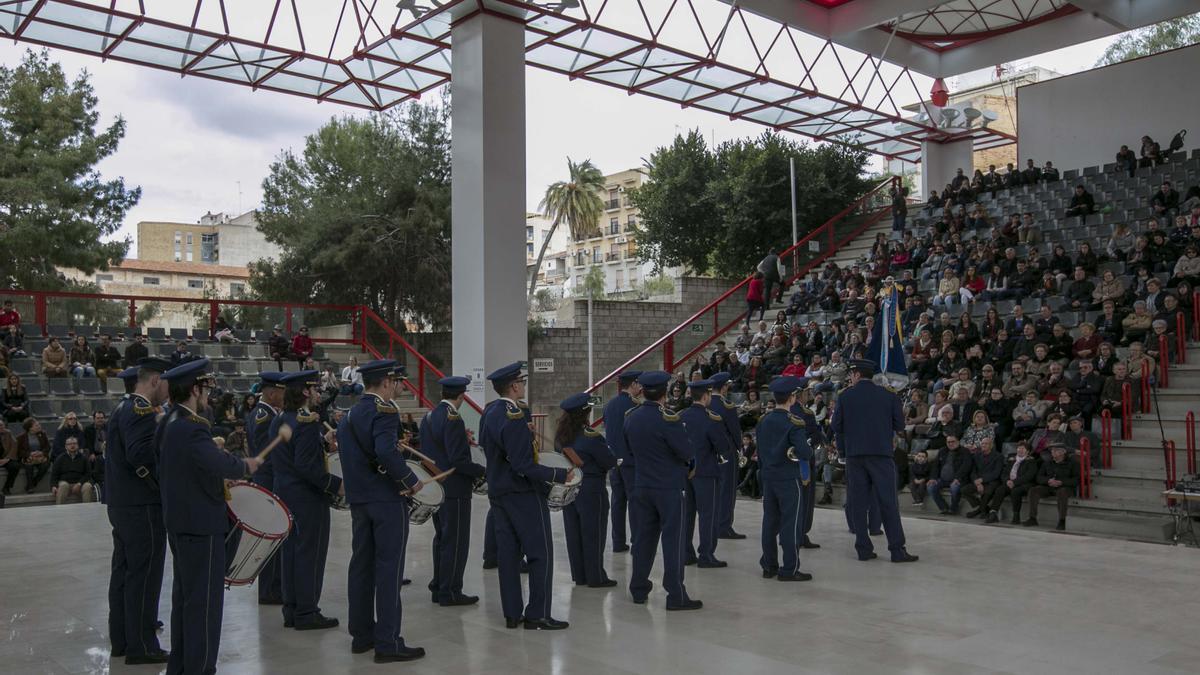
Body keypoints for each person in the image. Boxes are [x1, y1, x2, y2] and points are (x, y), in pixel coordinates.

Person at [157, 358, 262, 675]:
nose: (208, 394)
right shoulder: (191, 428)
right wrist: (244, 466)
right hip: (202, 525)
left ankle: (181, 665)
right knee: (204, 604)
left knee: (185, 600)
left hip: (178, 522)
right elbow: (219, 465)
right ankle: (200, 668)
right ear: (194, 388)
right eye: (205, 388)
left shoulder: (167, 422)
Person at [338, 359, 426, 662]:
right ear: (386, 382)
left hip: (360, 501)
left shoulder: (350, 414)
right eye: (397, 382)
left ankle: (361, 635)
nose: (399, 387)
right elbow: (385, 451)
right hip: (387, 501)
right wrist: (411, 480)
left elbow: (357, 456)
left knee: (361, 567)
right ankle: (388, 642)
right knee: (389, 570)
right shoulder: (385, 411)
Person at [479, 362, 575, 628]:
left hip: (498, 492)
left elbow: (488, 444)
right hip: (522, 493)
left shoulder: (491, 412)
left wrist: (523, 434)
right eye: (521, 381)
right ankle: (538, 614)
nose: (523, 385)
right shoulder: (514, 416)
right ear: (514, 386)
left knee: (508, 556)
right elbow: (523, 466)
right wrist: (558, 475)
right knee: (540, 552)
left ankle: (512, 614)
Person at [105, 358, 171, 665]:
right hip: (142, 504)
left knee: (125, 572)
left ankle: (122, 637)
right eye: (167, 383)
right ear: (156, 380)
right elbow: (140, 455)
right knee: (144, 575)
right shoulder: (142, 410)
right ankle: (143, 644)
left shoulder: (123, 406)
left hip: (123, 503)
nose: (169, 392)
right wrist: (162, 484)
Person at [271, 369, 343, 630]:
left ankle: (292, 608)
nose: (317, 393)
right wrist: (336, 485)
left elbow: (291, 455)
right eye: (314, 389)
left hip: (285, 493)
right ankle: (307, 611)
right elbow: (306, 467)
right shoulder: (306, 421)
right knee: (310, 554)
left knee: (290, 553)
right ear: (304, 392)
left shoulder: (282, 419)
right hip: (307, 498)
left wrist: (320, 442)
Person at [625, 370, 702, 610]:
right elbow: (686, 452)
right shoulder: (669, 418)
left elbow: (627, 449)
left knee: (643, 539)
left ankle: (638, 588)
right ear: (664, 392)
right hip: (668, 487)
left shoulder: (631, 417)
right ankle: (676, 595)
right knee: (673, 541)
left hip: (642, 484)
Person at [831, 359, 918, 563]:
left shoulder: (845, 397)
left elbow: (836, 426)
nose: (850, 378)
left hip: (855, 457)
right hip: (881, 456)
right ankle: (897, 550)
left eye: (851, 375)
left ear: (857, 375)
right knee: (888, 502)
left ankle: (863, 549)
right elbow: (899, 425)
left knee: (858, 504)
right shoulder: (889, 395)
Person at [423, 375, 486, 605]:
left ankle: (438, 586)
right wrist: (482, 471)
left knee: (441, 538)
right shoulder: (453, 419)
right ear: (461, 396)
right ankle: (450, 591)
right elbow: (459, 460)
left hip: (438, 489)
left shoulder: (429, 416)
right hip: (456, 489)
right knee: (456, 541)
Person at [556, 392, 618, 587]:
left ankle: (580, 575)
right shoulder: (591, 437)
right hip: (591, 489)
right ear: (586, 413)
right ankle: (595, 576)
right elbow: (608, 461)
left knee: (573, 533)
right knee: (593, 533)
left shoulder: (562, 436)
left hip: (569, 487)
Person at [756, 376, 813, 581]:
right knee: (791, 523)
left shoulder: (764, 420)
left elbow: (760, 450)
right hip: (788, 477)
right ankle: (789, 568)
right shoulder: (794, 422)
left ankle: (769, 565)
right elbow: (805, 453)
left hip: (768, 476)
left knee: (769, 522)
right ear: (791, 398)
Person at [248, 371, 287, 606]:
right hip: (268, 481)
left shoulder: (269, 414)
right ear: (272, 393)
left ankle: (274, 586)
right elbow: (267, 454)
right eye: (282, 392)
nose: (285, 396)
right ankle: (270, 589)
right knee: (271, 537)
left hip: (268, 480)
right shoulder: (265, 417)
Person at [679, 379, 727, 569]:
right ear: (706, 396)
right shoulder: (711, 418)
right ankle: (706, 554)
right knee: (708, 514)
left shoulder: (681, 416)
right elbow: (722, 446)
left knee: (687, 514)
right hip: (706, 471)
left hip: (685, 472)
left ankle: (686, 553)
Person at [603, 370, 641, 553]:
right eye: (638, 384)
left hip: (614, 460)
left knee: (618, 502)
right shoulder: (634, 406)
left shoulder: (610, 405)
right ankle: (636, 541)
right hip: (631, 461)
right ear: (632, 385)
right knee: (635, 502)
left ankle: (618, 542)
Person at [709, 372, 745, 541]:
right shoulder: (727, 406)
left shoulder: (706, 402)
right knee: (727, 489)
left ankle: (712, 523)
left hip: (708, 451)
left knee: (713, 490)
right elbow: (735, 430)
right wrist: (740, 447)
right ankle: (724, 525)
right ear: (724, 387)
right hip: (726, 450)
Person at [1026, 443, 1079, 530]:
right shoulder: (1047, 463)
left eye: (1055, 450)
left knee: (1062, 492)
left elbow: (1076, 480)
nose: (1052, 452)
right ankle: (1032, 518)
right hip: (1049, 486)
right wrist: (1048, 481)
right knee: (1033, 490)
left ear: (1063, 452)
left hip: (1065, 487)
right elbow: (1039, 477)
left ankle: (1062, 520)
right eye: (1052, 450)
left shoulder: (1072, 463)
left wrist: (1061, 482)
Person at [961, 438, 1004, 521]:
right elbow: (973, 471)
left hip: (992, 481)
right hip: (978, 481)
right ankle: (983, 509)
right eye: (982, 443)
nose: (983, 445)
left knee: (987, 492)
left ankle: (980, 511)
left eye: (986, 444)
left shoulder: (999, 456)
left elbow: (996, 473)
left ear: (991, 446)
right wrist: (977, 482)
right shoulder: (976, 455)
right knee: (964, 490)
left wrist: (982, 480)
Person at [51, 436, 95, 504]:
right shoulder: (60, 458)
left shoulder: (84, 458)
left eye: (74, 443)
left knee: (88, 486)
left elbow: (88, 473)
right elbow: (54, 474)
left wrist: (79, 484)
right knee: (63, 485)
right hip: (65, 483)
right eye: (70, 444)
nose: (72, 445)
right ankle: (59, 510)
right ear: (66, 446)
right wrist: (53, 486)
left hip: (80, 483)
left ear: (78, 445)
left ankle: (88, 510)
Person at [17, 417, 50, 492]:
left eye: (39, 425)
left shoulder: (42, 434)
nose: (39, 426)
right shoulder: (21, 437)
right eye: (37, 425)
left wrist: (41, 452)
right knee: (29, 466)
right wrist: (30, 454)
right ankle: (30, 487)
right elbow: (19, 451)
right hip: (28, 458)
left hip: (40, 457)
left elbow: (47, 447)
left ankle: (33, 483)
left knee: (46, 465)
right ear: (30, 428)